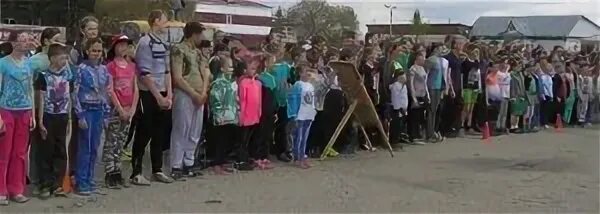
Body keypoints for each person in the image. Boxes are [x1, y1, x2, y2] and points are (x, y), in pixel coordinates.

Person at [131, 10, 174, 185]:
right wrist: (158, 96)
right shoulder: (145, 43)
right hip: (148, 93)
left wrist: (169, 94)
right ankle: (136, 171)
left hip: (163, 92)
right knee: (144, 132)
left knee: (160, 133)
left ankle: (157, 169)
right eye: (165, 20)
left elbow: (167, 70)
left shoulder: (164, 43)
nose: (167, 24)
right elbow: (144, 73)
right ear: (156, 21)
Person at [0, 32, 38, 205]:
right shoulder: (3, 63)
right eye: (21, 40)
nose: (25, 43)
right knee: (4, 152)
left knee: (20, 153)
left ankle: (17, 188)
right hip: (6, 110)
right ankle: (1, 189)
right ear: (13, 43)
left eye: (27, 40)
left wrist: (33, 115)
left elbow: (31, 88)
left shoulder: (29, 64)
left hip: (24, 111)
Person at [169, 22, 210, 180]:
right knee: (181, 129)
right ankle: (176, 164)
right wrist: (194, 93)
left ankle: (189, 161)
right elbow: (177, 77)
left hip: (199, 93)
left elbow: (205, 73)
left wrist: (203, 91)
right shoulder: (178, 49)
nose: (202, 38)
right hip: (185, 93)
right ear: (194, 34)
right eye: (200, 34)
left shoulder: (198, 53)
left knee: (195, 130)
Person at [72, 38, 111, 196]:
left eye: (99, 51)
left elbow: (106, 93)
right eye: (93, 50)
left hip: (99, 111)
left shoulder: (104, 70)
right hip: (86, 111)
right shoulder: (80, 69)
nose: (96, 54)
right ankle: (81, 181)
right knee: (85, 147)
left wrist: (107, 113)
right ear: (87, 51)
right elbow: (74, 93)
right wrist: (80, 115)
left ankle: (90, 178)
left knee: (95, 147)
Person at [34, 43, 72, 199]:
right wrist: (41, 120)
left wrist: (69, 117)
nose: (65, 61)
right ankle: (45, 183)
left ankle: (57, 183)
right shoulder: (43, 76)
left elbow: (68, 96)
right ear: (53, 58)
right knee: (46, 150)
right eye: (63, 58)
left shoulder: (67, 75)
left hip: (62, 115)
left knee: (60, 150)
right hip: (48, 115)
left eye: (66, 58)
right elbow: (41, 98)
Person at [28, 27, 62, 196]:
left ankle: (53, 180)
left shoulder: (62, 59)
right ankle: (35, 179)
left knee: (52, 146)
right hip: (36, 105)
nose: (59, 42)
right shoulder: (35, 61)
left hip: (56, 109)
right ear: (46, 41)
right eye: (56, 39)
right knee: (36, 145)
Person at [103, 35, 138, 189]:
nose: (123, 48)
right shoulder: (110, 66)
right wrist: (119, 108)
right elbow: (110, 89)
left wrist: (133, 108)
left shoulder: (131, 66)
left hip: (129, 108)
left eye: (126, 45)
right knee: (112, 140)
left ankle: (118, 170)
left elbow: (135, 88)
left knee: (122, 141)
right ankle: (110, 172)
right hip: (115, 109)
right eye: (120, 45)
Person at [209, 56, 238, 175]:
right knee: (220, 141)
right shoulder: (218, 83)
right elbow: (215, 99)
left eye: (232, 66)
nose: (231, 69)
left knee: (227, 140)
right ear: (222, 68)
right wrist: (218, 114)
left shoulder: (231, 82)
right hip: (221, 117)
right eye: (229, 66)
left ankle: (222, 162)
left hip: (231, 116)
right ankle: (216, 164)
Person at [236, 55, 263, 171]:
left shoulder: (258, 83)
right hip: (245, 115)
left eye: (254, 69)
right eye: (251, 69)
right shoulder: (243, 83)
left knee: (249, 139)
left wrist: (259, 112)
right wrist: (241, 115)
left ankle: (247, 158)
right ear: (245, 70)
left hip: (254, 115)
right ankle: (241, 160)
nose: (253, 71)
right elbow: (242, 100)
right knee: (243, 139)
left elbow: (259, 100)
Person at [288, 65, 316, 169]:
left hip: (308, 114)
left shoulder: (310, 85)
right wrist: (294, 114)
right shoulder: (298, 85)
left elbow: (312, 99)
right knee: (298, 137)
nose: (308, 73)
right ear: (300, 73)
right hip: (300, 114)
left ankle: (303, 155)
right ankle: (297, 157)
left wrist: (313, 110)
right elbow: (293, 101)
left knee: (305, 137)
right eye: (305, 71)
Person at [424, 44, 449, 143]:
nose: (442, 50)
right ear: (435, 49)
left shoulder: (439, 60)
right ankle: (429, 133)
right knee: (431, 111)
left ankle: (433, 131)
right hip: (431, 87)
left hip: (438, 87)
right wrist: (426, 90)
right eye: (440, 48)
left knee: (435, 111)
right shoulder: (431, 60)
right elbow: (425, 75)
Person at [256, 54, 277, 170]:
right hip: (261, 109)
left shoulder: (271, 78)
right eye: (271, 62)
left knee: (268, 134)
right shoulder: (259, 78)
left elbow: (273, 95)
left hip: (269, 109)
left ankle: (265, 156)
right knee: (260, 134)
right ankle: (258, 156)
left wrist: (275, 110)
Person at [407, 53, 428, 144]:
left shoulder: (422, 68)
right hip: (416, 94)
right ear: (416, 59)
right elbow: (411, 83)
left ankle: (418, 134)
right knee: (414, 116)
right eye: (421, 59)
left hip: (422, 94)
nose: (423, 60)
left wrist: (427, 94)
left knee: (420, 116)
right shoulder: (413, 69)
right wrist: (413, 96)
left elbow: (425, 82)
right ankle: (413, 136)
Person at [460, 49, 481, 135]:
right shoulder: (466, 62)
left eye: (477, 53)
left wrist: (479, 88)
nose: (475, 54)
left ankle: (469, 125)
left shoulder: (477, 63)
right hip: (467, 86)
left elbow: (478, 75)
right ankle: (461, 125)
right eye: (474, 53)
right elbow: (462, 75)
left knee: (472, 107)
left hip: (475, 87)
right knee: (466, 106)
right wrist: (461, 88)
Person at [389, 68, 409, 145]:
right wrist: (398, 108)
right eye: (403, 77)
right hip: (397, 109)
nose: (405, 78)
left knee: (400, 125)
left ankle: (398, 138)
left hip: (403, 109)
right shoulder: (396, 86)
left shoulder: (403, 86)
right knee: (395, 125)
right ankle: (394, 141)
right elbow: (395, 98)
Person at [509, 61, 527, 133]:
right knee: (514, 112)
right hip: (514, 94)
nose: (519, 68)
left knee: (519, 112)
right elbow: (512, 86)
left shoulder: (520, 75)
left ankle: (516, 125)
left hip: (521, 95)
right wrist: (512, 96)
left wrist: (523, 95)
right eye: (518, 66)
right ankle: (512, 126)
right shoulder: (512, 75)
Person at [496, 60, 511, 134]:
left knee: (505, 112)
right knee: (500, 112)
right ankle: (498, 126)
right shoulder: (499, 73)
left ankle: (503, 126)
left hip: (507, 94)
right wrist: (507, 71)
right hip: (501, 94)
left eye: (506, 64)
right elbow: (503, 79)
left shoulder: (508, 73)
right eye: (504, 64)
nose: (506, 66)